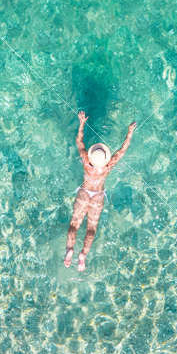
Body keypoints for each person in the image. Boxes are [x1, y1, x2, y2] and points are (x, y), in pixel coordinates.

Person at [65, 112, 136, 271]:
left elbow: (79, 141)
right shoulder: (107, 167)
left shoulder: (86, 161)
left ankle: (70, 249)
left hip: (84, 192)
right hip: (97, 197)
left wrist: (82, 123)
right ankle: (83, 254)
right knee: (91, 228)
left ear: (92, 156)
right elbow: (122, 150)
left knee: (74, 224)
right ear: (104, 158)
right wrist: (129, 131)